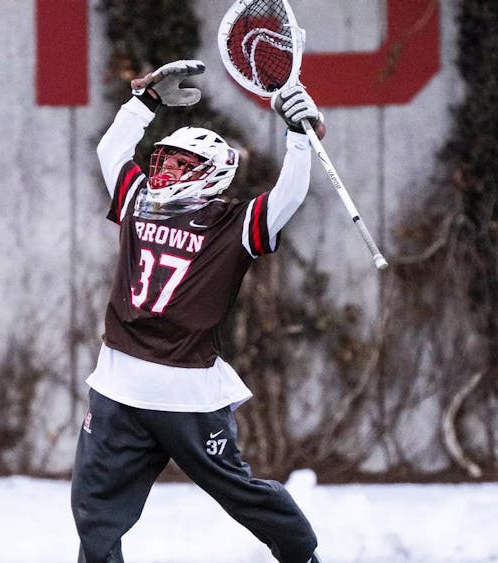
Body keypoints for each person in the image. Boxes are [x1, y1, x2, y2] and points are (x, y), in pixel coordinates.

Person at [70, 59, 324, 563]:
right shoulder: (140, 198)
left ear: (212, 175)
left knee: (240, 493)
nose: (162, 173)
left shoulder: (232, 224)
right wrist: (144, 103)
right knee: (94, 508)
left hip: (185, 391)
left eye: (179, 166)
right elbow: (111, 150)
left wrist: (300, 135)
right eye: (161, 161)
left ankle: (302, 555)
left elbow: (288, 195)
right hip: (118, 384)